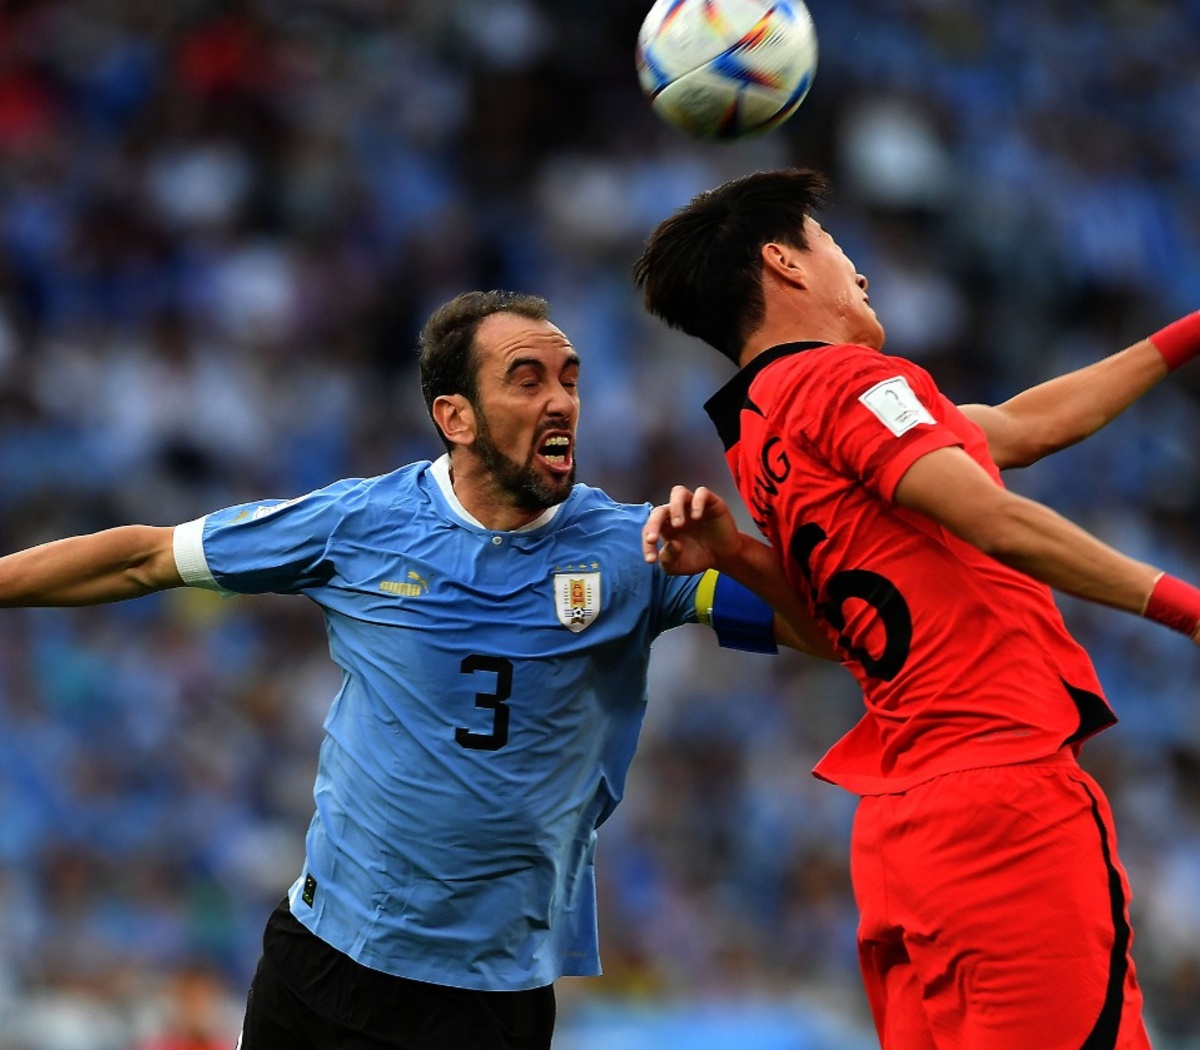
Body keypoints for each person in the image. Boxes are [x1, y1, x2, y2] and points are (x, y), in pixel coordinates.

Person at [0, 289, 829, 1050]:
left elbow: (830, 636)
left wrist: (737, 557)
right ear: (455, 416)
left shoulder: (638, 548)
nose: (561, 402)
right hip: (325, 960)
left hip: (490, 994)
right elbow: (146, 558)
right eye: (528, 379)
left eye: (570, 380)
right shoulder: (358, 524)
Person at [633, 167, 1200, 1050]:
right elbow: (993, 516)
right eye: (834, 244)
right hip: (1004, 800)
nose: (858, 271)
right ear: (784, 262)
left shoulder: (762, 438)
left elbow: (1019, 429)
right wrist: (1185, 607)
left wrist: (744, 556)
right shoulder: (846, 384)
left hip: (905, 832)